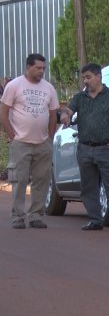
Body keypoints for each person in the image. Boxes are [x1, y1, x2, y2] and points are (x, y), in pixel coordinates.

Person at [59, 63, 109, 233]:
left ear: (99, 76)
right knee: (88, 186)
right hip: (85, 147)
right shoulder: (80, 97)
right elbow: (69, 111)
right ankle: (95, 219)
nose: (85, 81)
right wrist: (65, 116)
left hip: (106, 148)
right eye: (84, 78)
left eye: (88, 77)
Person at [0, 54, 59, 229]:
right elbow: (3, 112)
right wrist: (12, 135)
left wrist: (49, 137)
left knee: (41, 179)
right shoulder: (14, 85)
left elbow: (53, 114)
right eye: (38, 68)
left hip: (42, 143)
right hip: (21, 141)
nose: (41, 71)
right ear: (28, 67)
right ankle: (18, 216)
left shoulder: (48, 88)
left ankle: (35, 215)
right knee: (20, 179)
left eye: (43, 68)